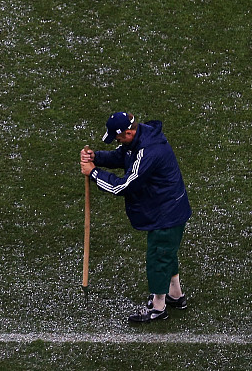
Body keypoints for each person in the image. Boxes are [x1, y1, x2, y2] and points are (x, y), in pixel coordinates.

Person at [81, 111, 192, 324]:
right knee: (166, 253)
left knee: (158, 258)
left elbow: (124, 186)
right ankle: (175, 296)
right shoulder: (141, 138)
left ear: (130, 133)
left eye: (120, 137)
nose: (118, 142)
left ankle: (159, 308)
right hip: (168, 209)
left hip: (165, 214)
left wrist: (94, 173)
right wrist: (97, 157)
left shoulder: (148, 152)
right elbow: (123, 155)